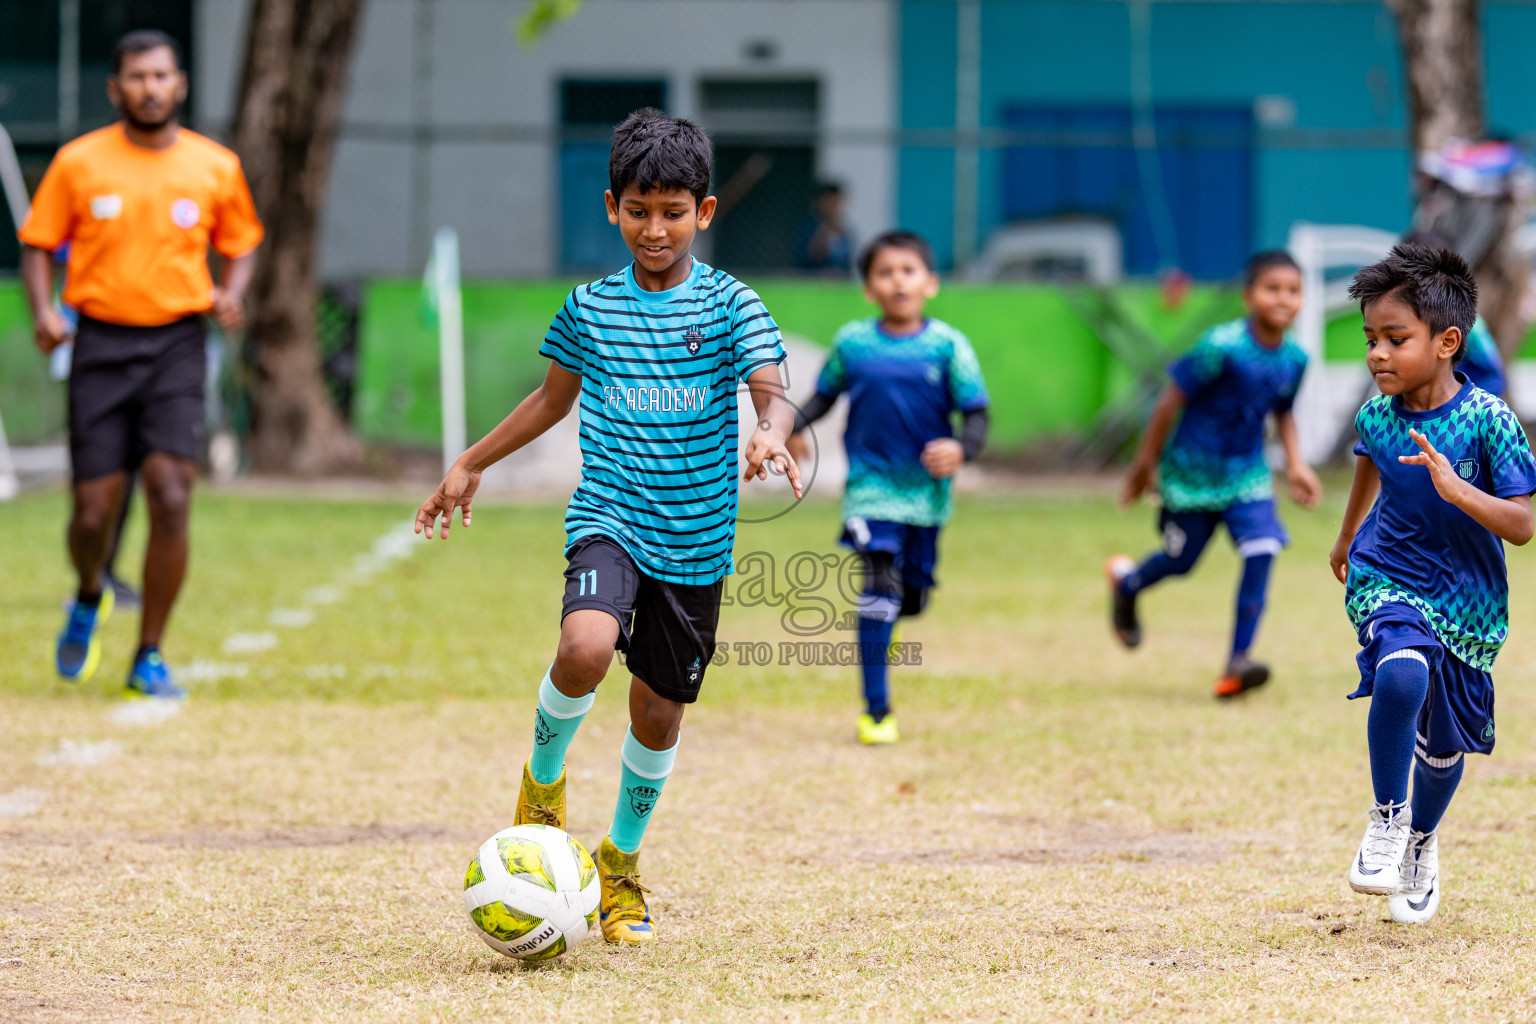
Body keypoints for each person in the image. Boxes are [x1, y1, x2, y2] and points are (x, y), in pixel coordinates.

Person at [414, 109, 800, 948]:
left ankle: (619, 866)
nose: (653, 228)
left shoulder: (732, 302)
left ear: (703, 211)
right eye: (637, 209)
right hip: (610, 518)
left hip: (696, 542)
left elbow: (769, 383)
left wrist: (768, 428)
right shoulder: (589, 309)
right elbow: (552, 401)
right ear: (612, 207)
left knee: (658, 715)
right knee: (584, 648)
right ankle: (541, 784)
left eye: (672, 211)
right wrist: (472, 459)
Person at [18, 29, 262, 698]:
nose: (149, 88)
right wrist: (44, 311)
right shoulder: (78, 163)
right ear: (115, 87)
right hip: (97, 343)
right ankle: (90, 592)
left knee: (172, 495)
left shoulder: (214, 166)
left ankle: (148, 653)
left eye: (160, 76)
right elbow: (38, 243)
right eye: (136, 77)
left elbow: (242, 243)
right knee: (93, 514)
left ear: (180, 84)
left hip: (177, 345)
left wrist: (232, 295)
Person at [1330, 242, 1535, 925]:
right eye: (1370, 340)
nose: (1377, 354)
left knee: (1447, 744)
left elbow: (1521, 525)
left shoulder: (1489, 421)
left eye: (1395, 339)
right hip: (1388, 571)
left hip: (1469, 601)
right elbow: (1369, 462)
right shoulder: (1377, 415)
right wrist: (1346, 537)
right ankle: (1388, 817)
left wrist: (1457, 489)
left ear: (1447, 341)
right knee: (1400, 671)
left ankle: (1420, 840)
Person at [787, 230, 989, 744]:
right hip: (870, 489)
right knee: (879, 590)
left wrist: (962, 449)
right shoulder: (854, 343)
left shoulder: (948, 346)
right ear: (869, 288)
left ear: (931, 283)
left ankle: (893, 620)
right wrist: (791, 427)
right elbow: (823, 396)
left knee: (912, 596)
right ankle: (877, 710)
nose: (897, 280)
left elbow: (977, 414)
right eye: (884, 272)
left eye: (908, 270)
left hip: (925, 494)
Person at [1106, 251, 1323, 698]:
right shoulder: (1219, 346)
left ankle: (1237, 662)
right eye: (1272, 288)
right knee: (1181, 562)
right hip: (1191, 475)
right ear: (1248, 296)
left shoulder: (1295, 359)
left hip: (1247, 475)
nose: (1283, 298)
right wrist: (1144, 465)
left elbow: (1283, 412)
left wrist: (1296, 463)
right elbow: (1170, 400)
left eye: (1293, 290)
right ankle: (1127, 586)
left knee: (1263, 547)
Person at [795, 182, 854, 274]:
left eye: (836, 201)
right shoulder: (808, 228)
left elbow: (847, 263)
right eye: (829, 201)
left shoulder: (844, 232)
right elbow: (805, 259)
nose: (833, 206)